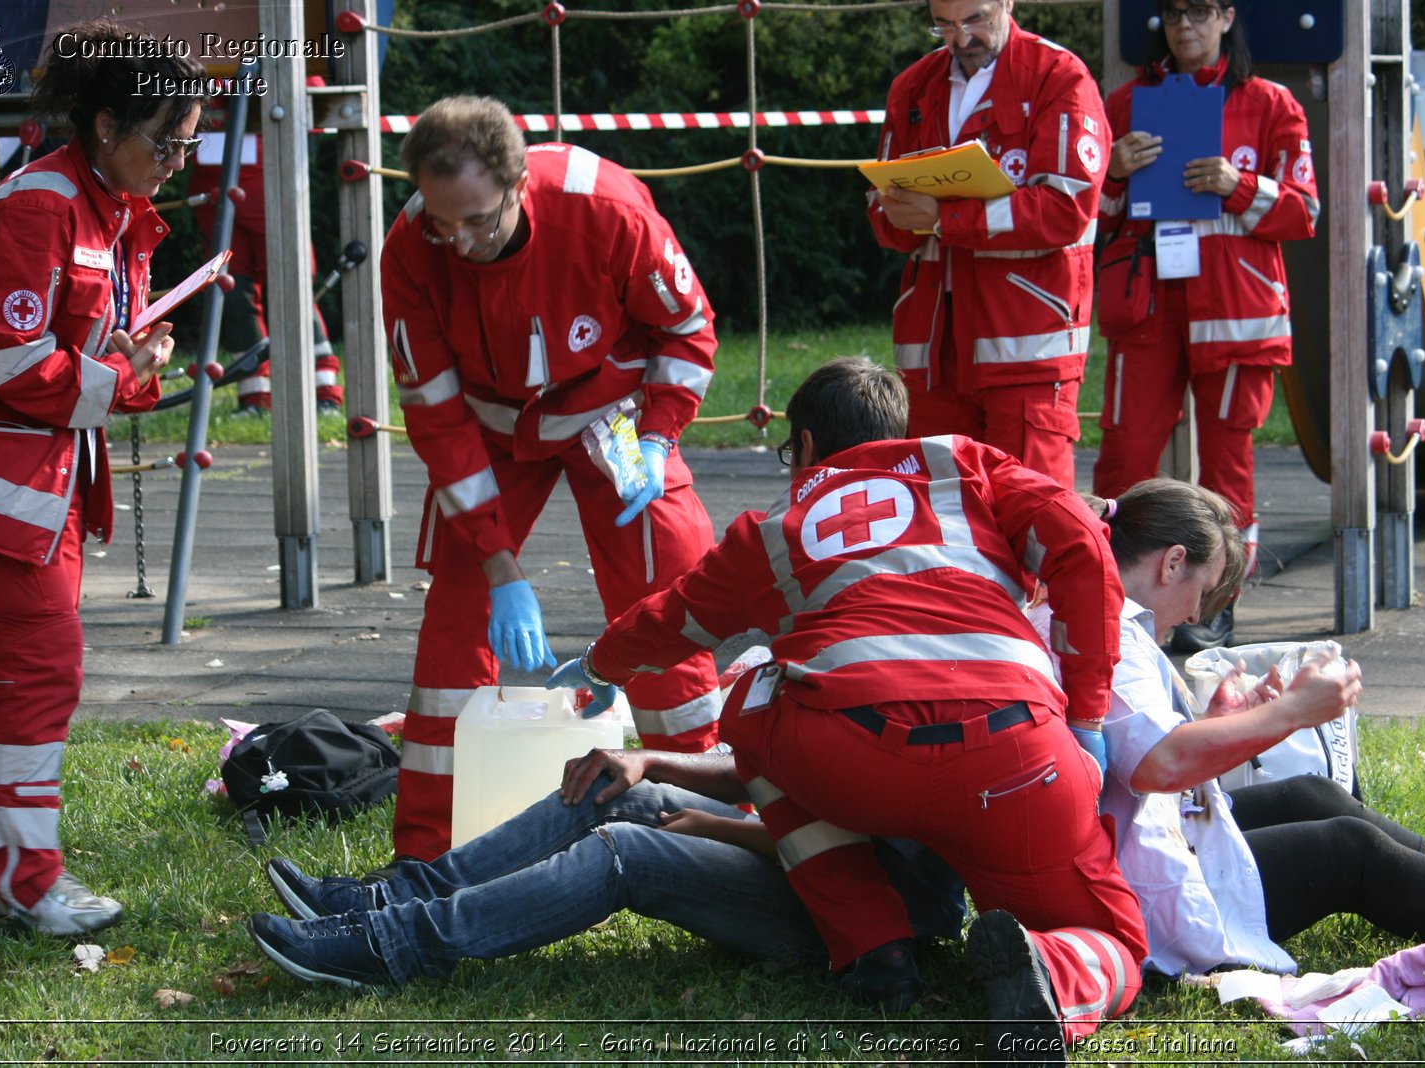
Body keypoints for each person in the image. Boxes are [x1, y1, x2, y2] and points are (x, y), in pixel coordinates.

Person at [549, 358, 1147, 1055]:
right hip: (1015, 756)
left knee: (755, 692)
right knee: (1119, 945)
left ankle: (872, 946)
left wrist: (598, 664)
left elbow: (672, 621)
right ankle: (1059, 970)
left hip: (849, 755)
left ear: (803, 448)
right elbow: (1082, 544)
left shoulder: (773, 529)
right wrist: (1087, 718)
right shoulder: (966, 467)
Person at [379, 95, 723, 863]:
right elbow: (436, 417)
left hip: (617, 419)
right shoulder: (411, 245)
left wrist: (661, 439)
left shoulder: (606, 210)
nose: (458, 241)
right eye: (442, 220)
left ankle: (704, 824)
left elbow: (687, 329)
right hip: (490, 430)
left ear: (519, 184)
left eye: (478, 219)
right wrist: (500, 567)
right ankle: (428, 857)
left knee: (666, 596)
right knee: (457, 627)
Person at [0, 18, 201, 935]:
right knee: (39, 671)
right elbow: (11, 365)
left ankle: (12, 875)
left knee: (36, 673)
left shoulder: (106, 208)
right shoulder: (40, 207)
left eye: (188, 141)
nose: (175, 158)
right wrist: (123, 377)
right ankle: (19, 881)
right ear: (105, 126)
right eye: (164, 139)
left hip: (33, 482)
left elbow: (74, 350)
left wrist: (133, 357)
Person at [1034, 478, 1425, 977]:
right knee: (1348, 851)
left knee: (1312, 795)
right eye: (1202, 592)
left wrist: (1224, 724)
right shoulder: (1108, 626)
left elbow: (1133, 751)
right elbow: (1158, 764)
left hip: (1122, 842)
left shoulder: (1084, 611)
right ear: (1173, 561)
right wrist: (1289, 714)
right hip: (1131, 888)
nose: (1196, 614)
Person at [246, 748, 966, 988]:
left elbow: (851, 850)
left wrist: (721, 830)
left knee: (627, 848)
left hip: (864, 917)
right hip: (808, 860)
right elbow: (773, 769)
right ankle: (396, 896)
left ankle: (393, 946)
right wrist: (645, 759)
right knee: (613, 784)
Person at [1089, 0, 1319, 650]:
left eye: (1197, 11)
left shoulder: (1271, 103)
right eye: (1172, 12)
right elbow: (1092, 218)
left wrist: (1237, 185)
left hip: (1236, 313)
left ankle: (1215, 606)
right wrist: (1113, 172)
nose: (1183, 25)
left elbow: (1305, 212)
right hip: (1148, 309)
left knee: (1229, 473)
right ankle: (1105, 596)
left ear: (1225, 16)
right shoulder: (1126, 102)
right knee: (1124, 458)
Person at [868, 0, 1109, 488]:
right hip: (933, 350)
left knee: (1031, 515)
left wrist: (945, 218)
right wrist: (894, 211)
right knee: (940, 517)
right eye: (944, 26)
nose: (961, 39)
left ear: (1006, 3)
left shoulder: (1060, 77)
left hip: (1026, 342)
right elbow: (883, 216)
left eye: (975, 20)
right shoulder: (913, 85)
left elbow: (1066, 209)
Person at [187, 129, 345, 416]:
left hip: (268, 182)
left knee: (293, 288)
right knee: (232, 294)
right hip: (212, 191)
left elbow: (309, 98)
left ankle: (324, 392)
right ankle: (255, 396)